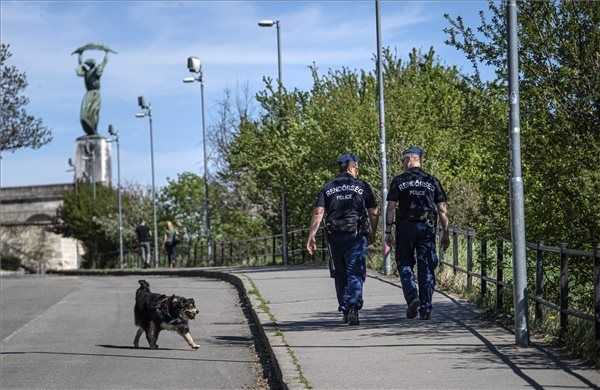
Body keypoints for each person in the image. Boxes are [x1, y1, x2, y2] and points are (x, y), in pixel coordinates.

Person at [306, 154, 379, 325]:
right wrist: (372, 232)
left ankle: (345, 308)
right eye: (357, 167)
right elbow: (374, 212)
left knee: (340, 273)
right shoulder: (362, 186)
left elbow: (318, 212)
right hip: (356, 234)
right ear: (352, 167)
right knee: (355, 271)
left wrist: (311, 236)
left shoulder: (328, 187)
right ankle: (353, 305)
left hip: (335, 235)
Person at [385, 146, 449, 320]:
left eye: (403, 161)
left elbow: (391, 207)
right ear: (420, 160)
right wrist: (445, 232)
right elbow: (442, 209)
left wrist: (388, 231)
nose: (403, 164)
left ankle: (413, 297)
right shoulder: (432, 180)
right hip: (426, 227)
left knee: (404, 263)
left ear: (408, 159)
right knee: (426, 266)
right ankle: (426, 308)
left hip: (405, 227)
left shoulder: (399, 180)